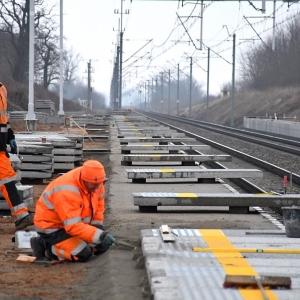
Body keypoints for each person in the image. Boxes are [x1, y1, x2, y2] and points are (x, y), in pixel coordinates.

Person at [30, 160, 115, 262]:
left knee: (101, 247)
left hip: (75, 225)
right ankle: (46, 246)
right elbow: (72, 226)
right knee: (84, 254)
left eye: (99, 184)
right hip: (53, 228)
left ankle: (67, 245)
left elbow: (99, 208)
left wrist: (98, 230)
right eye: (94, 185)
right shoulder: (67, 191)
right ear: (84, 180)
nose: (97, 188)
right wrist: (99, 235)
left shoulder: (96, 181)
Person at [0, 82, 34, 231]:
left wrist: (10, 136)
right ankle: (21, 216)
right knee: (7, 178)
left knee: (7, 178)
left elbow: (3, 119)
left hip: (0, 144)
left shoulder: (2, 89)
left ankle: (21, 216)